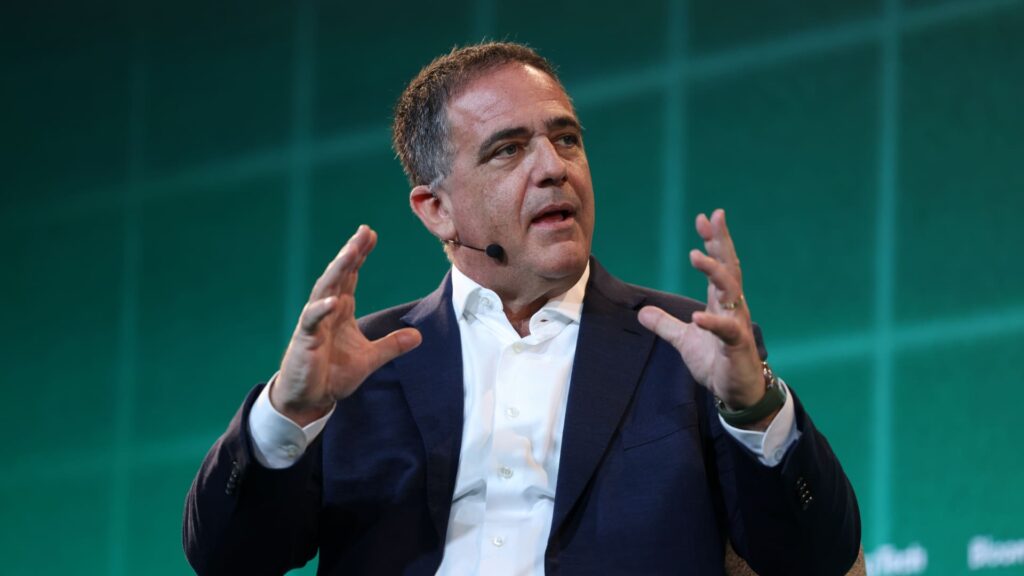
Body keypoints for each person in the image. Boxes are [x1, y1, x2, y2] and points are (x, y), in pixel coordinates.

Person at [183, 42, 860, 575]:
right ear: (437, 209)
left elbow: (817, 559)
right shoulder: (357, 364)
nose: (553, 167)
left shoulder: (689, 347)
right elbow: (226, 558)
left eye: (566, 139)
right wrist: (289, 413)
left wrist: (754, 408)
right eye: (508, 150)